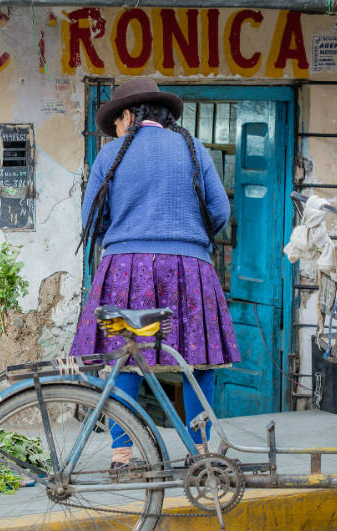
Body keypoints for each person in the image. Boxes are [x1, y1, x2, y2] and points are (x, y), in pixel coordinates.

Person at [68, 78, 240, 467]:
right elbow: (219, 212)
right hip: (190, 270)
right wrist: (187, 239)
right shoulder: (194, 149)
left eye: (116, 121)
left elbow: (91, 222)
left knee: (123, 358)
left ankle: (122, 454)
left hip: (124, 271)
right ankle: (201, 452)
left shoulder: (109, 155)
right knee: (200, 360)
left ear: (128, 115)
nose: (115, 129)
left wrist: (127, 234)